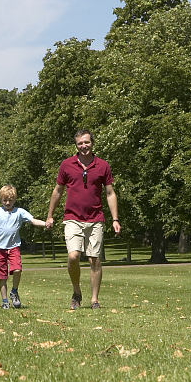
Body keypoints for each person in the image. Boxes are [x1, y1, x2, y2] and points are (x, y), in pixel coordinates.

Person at [45, 129, 120, 310]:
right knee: (73, 255)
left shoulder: (102, 165)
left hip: (95, 218)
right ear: (76, 145)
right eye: (80, 143)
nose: (84, 146)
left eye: (86, 142)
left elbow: (110, 193)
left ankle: (94, 300)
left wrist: (115, 219)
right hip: (72, 218)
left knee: (94, 259)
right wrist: (49, 215)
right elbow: (57, 191)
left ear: (92, 143)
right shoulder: (66, 165)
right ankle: (76, 292)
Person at [0, 185, 46, 309]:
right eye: (5, 200)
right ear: (0, 199)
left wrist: (45, 224)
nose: (7, 202)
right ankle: (5, 300)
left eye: (10, 200)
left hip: (13, 247)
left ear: (14, 200)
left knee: (17, 269)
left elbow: (33, 220)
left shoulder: (19, 212)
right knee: (2, 276)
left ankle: (14, 291)